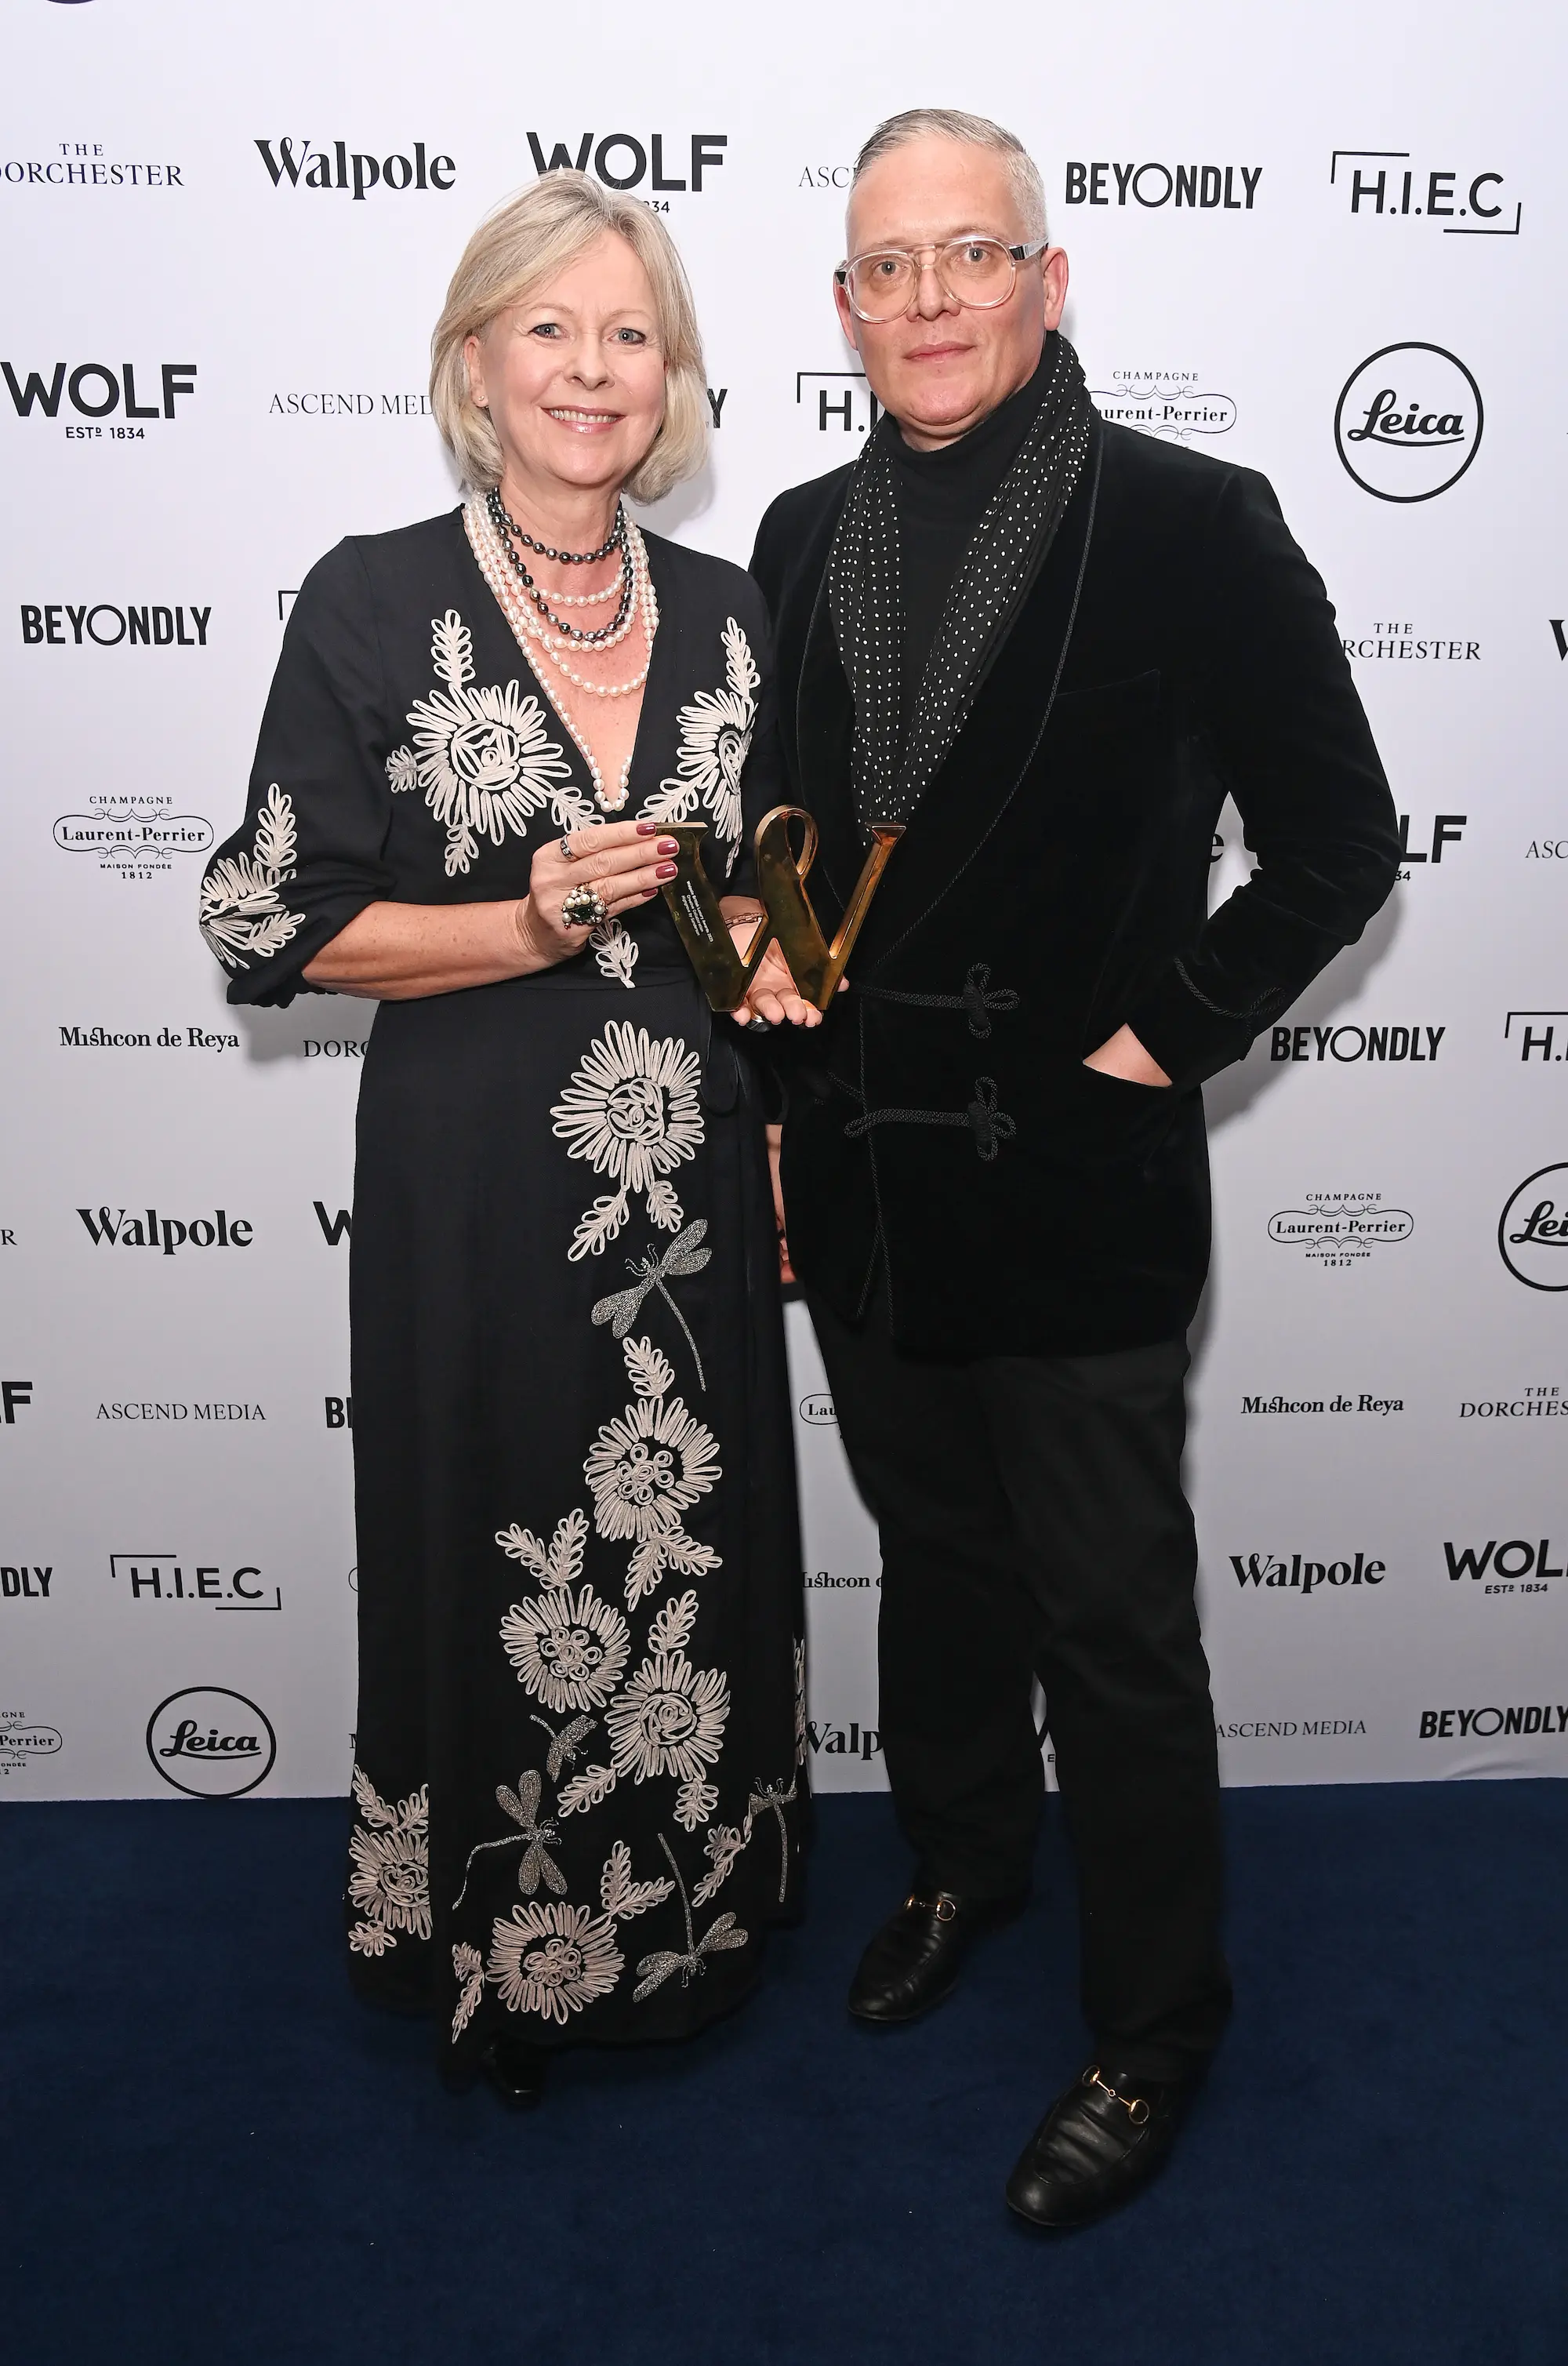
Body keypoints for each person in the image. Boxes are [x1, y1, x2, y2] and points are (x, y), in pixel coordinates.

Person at [750, 109, 1399, 2226]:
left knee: (1114, 1628)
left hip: (1081, 1180)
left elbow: (1337, 841)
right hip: (868, 1178)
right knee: (934, 1570)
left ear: (1051, 273)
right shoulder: (795, 531)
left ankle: (1153, 2025)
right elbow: (794, 853)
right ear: (843, 301)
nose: (925, 302)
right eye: (885, 268)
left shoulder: (1194, 521)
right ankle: (960, 1863)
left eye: (967, 257)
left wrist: (1161, 1042)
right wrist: (775, 1071)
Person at [200, 173, 813, 2108]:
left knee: (686, 1544)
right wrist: (522, 921)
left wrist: (780, 1003)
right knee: (500, 1540)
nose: (590, 368)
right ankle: (506, 1939)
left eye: (628, 333)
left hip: (691, 1184)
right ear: (475, 361)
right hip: (473, 1185)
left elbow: (753, 916)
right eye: (547, 327)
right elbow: (263, 919)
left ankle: (690, 1913)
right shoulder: (372, 595)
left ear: (674, 376)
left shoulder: (730, 618)